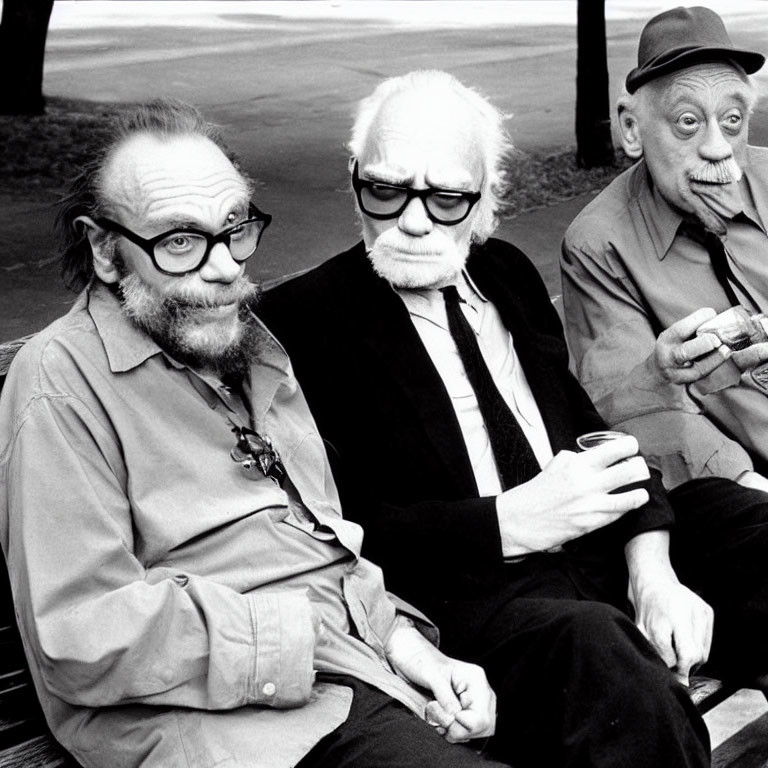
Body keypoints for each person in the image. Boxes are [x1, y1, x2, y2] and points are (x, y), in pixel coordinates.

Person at [257, 68, 766, 768]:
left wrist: (653, 569)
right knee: (601, 657)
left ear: (485, 199)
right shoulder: (300, 324)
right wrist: (508, 521)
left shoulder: (503, 272)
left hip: (593, 552)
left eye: (444, 198)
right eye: (383, 189)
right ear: (354, 179)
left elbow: (590, 430)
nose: (410, 219)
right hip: (477, 595)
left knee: (745, 525)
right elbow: (329, 528)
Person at [0, 100, 511, 768]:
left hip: (355, 688)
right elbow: (84, 634)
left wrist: (414, 651)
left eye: (235, 229)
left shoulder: (253, 350)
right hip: (241, 734)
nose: (222, 268)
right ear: (104, 249)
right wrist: (308, 637)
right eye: (180, 240)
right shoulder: (60, 382)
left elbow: (322, 548)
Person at [561, 5, 768, 493]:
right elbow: (632, 402)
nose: (718, 148)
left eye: (733, 120)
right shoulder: (599, 244)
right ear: (632, 129)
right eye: (688, 121)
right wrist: (746, 486)